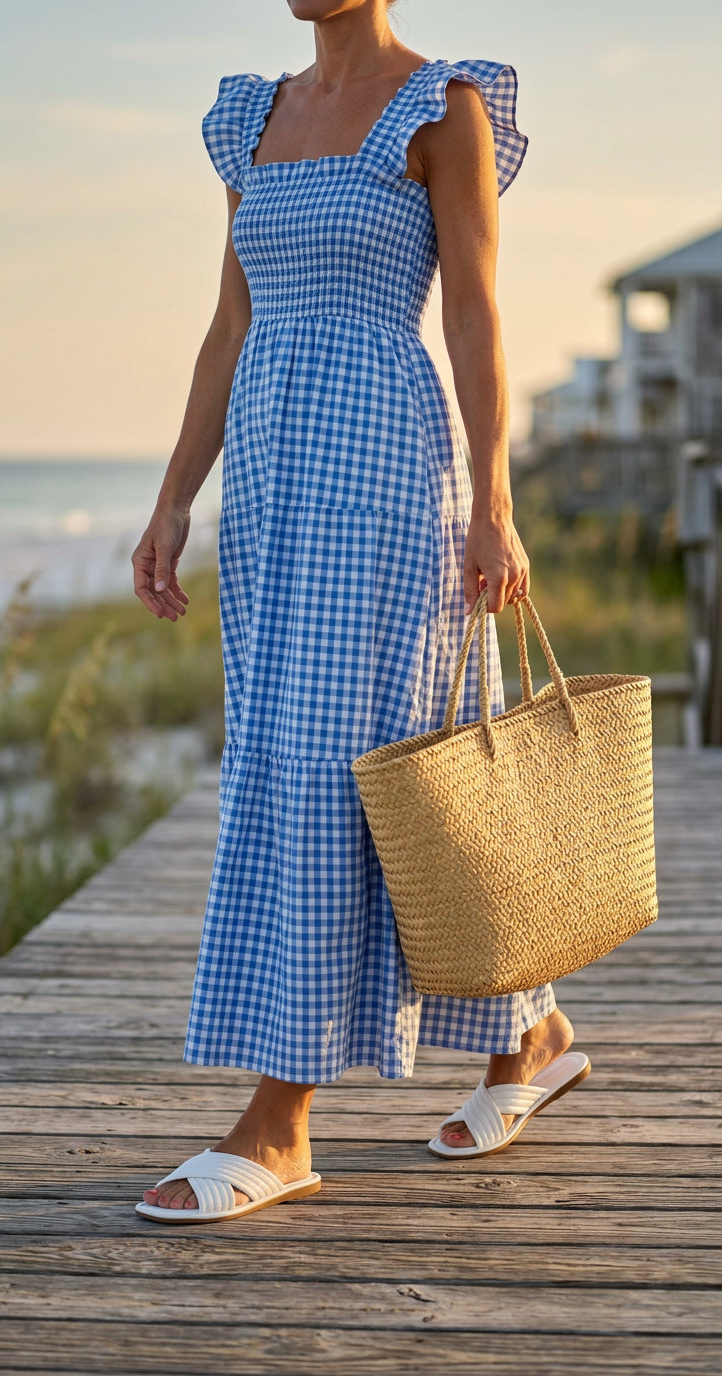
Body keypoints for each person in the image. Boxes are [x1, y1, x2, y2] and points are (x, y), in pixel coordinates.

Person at [131, 0, 590, 1224]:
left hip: (389, 468)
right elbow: (230, 324)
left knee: (368, 766)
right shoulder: (252, 115)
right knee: (321, 764)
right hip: (275, 485)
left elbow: (478, 309)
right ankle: (529, 1029)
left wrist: (495, 502)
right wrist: (175, 497)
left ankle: (282, 1119)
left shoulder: (443, 108)